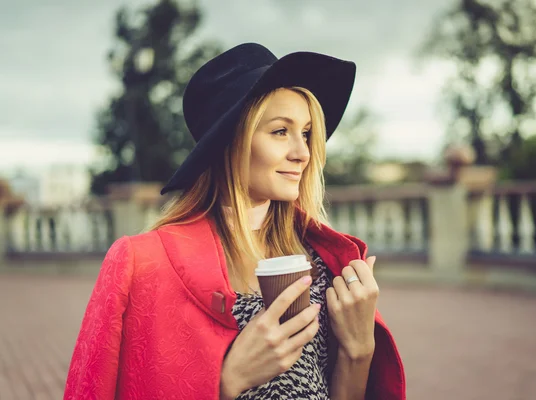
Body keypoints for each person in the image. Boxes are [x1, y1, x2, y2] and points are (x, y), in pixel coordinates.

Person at [64, 43, 406, 399]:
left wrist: (358, 350)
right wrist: (228, 381)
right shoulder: (141, 264)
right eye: (280, 131)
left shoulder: (326, 262)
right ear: (230, 142)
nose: (303, 152)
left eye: (305, 133)